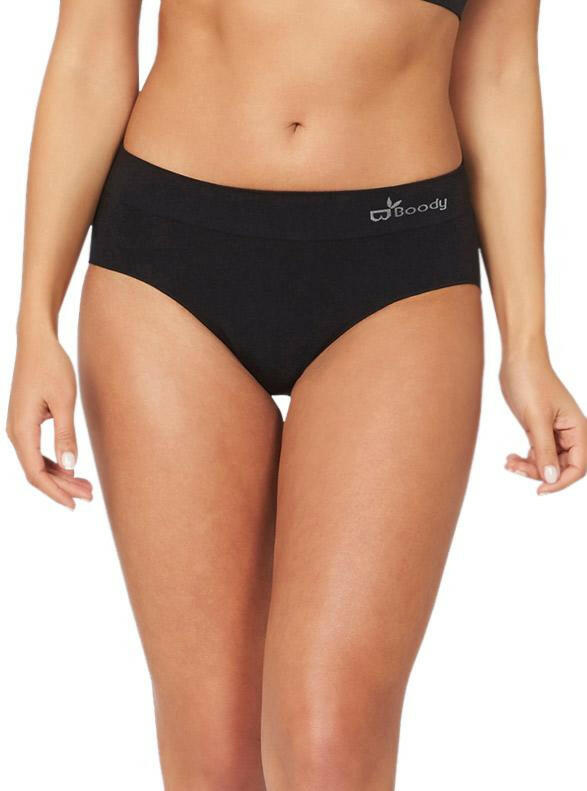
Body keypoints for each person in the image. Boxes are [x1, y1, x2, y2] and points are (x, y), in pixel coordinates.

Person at [7, 1, 586, 789]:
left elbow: (498, 71)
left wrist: (527, 344)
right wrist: (34, 321)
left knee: (330, 744)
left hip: (401, 263)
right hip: (168, 260)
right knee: (214, 756)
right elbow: (87, 54)